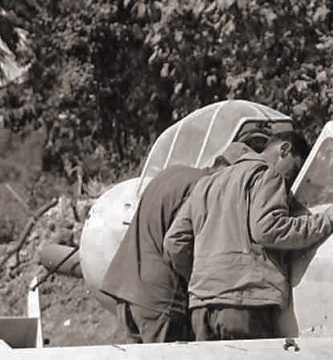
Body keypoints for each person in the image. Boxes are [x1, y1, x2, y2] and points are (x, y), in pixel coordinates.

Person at [164, 129, 333, 342]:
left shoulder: (206, 184)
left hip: (201, 310)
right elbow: (267, 229)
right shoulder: (268, 175)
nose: (292, 179)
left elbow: (174, 241)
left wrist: (203, 278)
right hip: (244, 305)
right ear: (285, 149)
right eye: (295, 168)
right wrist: (324, 221)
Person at [98, 139, 254, 344]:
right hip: (160, 298)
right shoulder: (201, 188)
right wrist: (196, 281)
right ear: (231, 172)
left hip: (126, 290)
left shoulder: (173, 173)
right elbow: (176, 244)